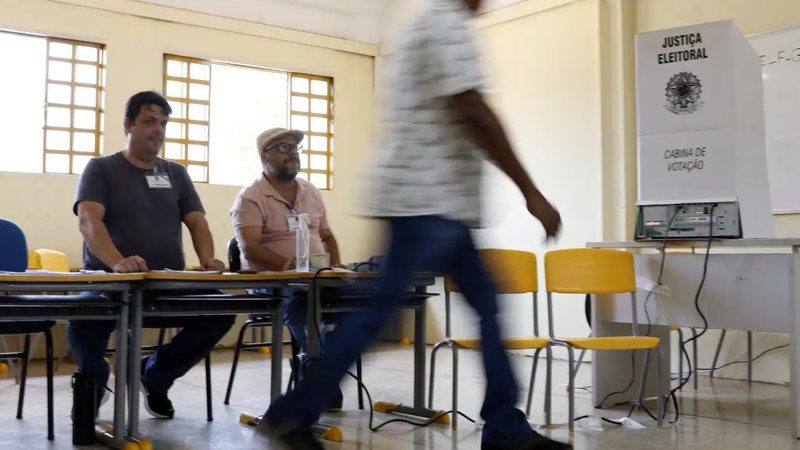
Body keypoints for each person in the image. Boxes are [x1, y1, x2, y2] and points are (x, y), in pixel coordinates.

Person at [257, 0, 570, 449]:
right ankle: (291, 414)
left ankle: (505, 427)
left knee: (480, 307)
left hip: (440, 204)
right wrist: (531, 191)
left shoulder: (426, 26)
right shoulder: (447, 25)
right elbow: (474, 110)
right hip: (427, 204)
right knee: (377, 313)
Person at [69, 90, 235, 419]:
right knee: (84, 320)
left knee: (221, 309)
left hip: (166, 284)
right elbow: (89, 220)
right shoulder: (101, 168)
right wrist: (118, 263)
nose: (158, 130)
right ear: (128, 125)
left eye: (162, 123)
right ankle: (94, 381)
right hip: (110, 284)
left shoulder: (176, 173)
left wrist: (207, 259)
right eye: (149, 121)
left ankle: (155, 375)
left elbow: (197, 221)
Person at [230, 127, 346, 409]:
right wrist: (285, 265)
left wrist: (336, 265)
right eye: (283, 148)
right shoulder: (250, 197)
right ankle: (316, 363)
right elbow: (250, 248)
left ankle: (315, 362)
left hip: (316, 278)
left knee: (354, 302)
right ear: (263, 156)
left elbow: (328, 237)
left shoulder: (311, 192)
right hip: (272, 282)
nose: (292, 152)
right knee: (301, 299)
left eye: (295, 147)